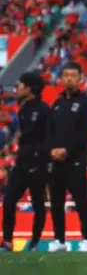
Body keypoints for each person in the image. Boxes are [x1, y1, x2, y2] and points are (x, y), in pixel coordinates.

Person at [47, 63, 87, 252]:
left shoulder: (86, 102)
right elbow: (49, 130)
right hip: (56, 160)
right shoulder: (57, 103)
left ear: (79, 79)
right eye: (66, 75)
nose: (69, 78)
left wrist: (66, 150)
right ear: (61, 78)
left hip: (76, 159)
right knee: (56, 201)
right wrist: (51, 150)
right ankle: (59, 240)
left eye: (73, 75)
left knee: (81, 199)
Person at [1, 72, 49, 252]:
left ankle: (34, 243)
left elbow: (48, 137)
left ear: (30, 89)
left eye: (21, 85)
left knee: (38, 204)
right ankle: (7, 241)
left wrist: (41, 157)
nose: (18, 88)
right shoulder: (23, 109)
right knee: (9, 200)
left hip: (38, 164)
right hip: (22, 163)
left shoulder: (44, 110)